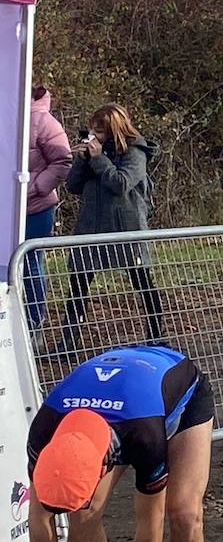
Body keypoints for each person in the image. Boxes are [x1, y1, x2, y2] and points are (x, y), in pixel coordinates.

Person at [27, 345, 214, 542]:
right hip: (122, 392)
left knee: (185, 514)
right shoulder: (43, 433)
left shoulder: (145, 437)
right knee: (84, 513)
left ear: (104, 465)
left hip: (174, 392)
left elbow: (150, 522)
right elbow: (38, 518)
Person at [58, 104, 164, 355]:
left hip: (125, 227)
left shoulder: (135, 152)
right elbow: (73, 186)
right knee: (78, 283)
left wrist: (99, 159)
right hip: (90, 226)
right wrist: (83, 161)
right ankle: (68, 341)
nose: (95, 137)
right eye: (92, 131)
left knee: (141, 280)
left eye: (100, 132)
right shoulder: (94, 154)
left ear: (114, 130)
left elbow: (121, 183)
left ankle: (156, 335)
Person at [24, 85, 73, 326]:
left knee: (30, 264)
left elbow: (62, 160)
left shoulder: (43, 121)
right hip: (7, 205)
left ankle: (34, 323)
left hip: (36, 207)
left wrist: (36, 188)